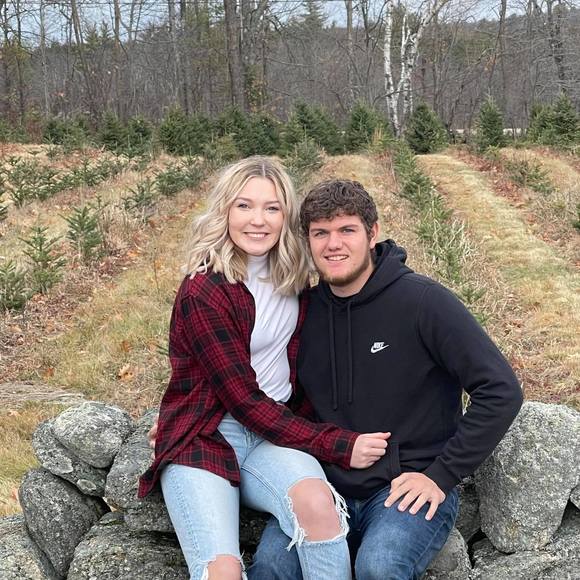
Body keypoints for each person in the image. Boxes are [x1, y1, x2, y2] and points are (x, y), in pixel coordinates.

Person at [248, 179, 523, 580]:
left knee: (379, 566)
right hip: (323, 486)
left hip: (405, 486)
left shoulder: (423, 301)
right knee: (272, 567)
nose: (333, 244)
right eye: (320, 233)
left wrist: (441, 475)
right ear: (307, 241)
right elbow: (254, 385)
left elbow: (500, 389)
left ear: (372, 233)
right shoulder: (302, 311)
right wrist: (182, 417)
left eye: (347, 230)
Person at [137, 159, 391, 580]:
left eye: (272, 208)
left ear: (286, 217)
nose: (258, 220)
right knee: (222, 570)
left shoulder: (294, 282)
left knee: (318, 506)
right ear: (224, 211)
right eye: (244, 206)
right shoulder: (205, 290)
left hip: (271, 437)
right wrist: (338, 444)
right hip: (207, 436)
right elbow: (242, 400)